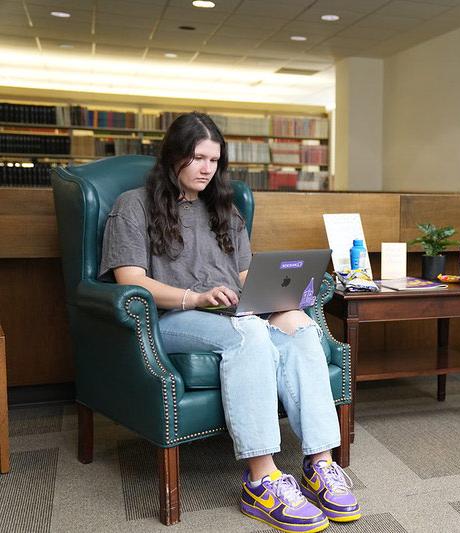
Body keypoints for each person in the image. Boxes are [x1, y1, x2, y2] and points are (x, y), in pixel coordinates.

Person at [99, 112, 360, 531]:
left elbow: (242, 277)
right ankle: (261, 479)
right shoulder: (133, 205)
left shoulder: (224, 209)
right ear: (173, 157)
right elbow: (130, 281)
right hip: (170, 318)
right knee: (249, 331)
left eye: (214, 160)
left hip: (227, 312)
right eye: (198, 158)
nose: (207, 169)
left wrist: (274, 297)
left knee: (299, 324)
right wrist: (196, 297)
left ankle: (320, 462)